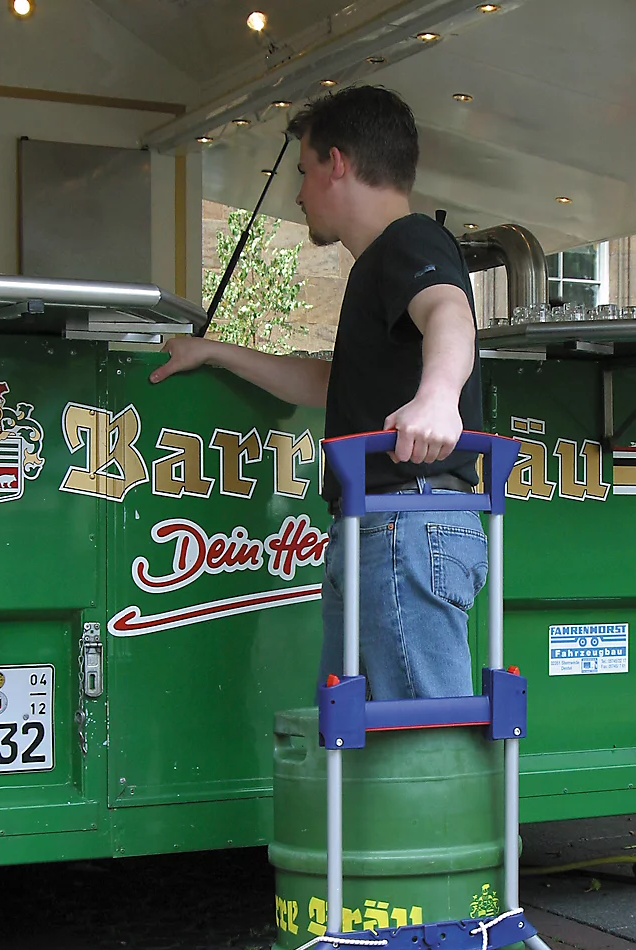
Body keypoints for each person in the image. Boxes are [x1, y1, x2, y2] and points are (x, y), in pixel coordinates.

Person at [148, 85, 486, 703]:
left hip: (407, 519)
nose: (300, 193)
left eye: (303, 172)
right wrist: (215, 350)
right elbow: (329, 384)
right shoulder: (378, 265)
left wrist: (441, 398)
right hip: (380, 524)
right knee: (358, 749)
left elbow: (450, 310)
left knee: (425, 744)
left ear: (337, 163)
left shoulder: (411, 242)